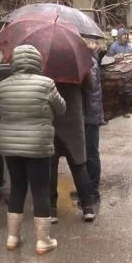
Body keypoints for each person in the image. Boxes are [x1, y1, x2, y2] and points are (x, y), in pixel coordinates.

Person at [0, 45, 66, 255]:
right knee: (40, 190)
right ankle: (43, 241)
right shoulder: (46, 84)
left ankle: (12, 237)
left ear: (15, 62)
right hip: (38, 144)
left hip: (10, 146)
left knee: (17, 188)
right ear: (37, 61)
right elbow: (61, 108)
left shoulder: (3, 86)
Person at [50, 83, 97, 223]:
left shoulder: (47, 72)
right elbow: (90, 86)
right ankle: (87, 207)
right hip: (74, 120)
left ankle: (51, 210)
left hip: (53, 121)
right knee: (78, 165)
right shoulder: (77, 71)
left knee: (50, 167)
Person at [82, 52, 105, 202]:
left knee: (91, 154)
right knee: (82, 155)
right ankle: (85, 187)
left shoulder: (89, 62)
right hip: (83, 115)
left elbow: (90, 85)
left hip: (90, 115)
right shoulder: (83, 61)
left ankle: (93, 190)